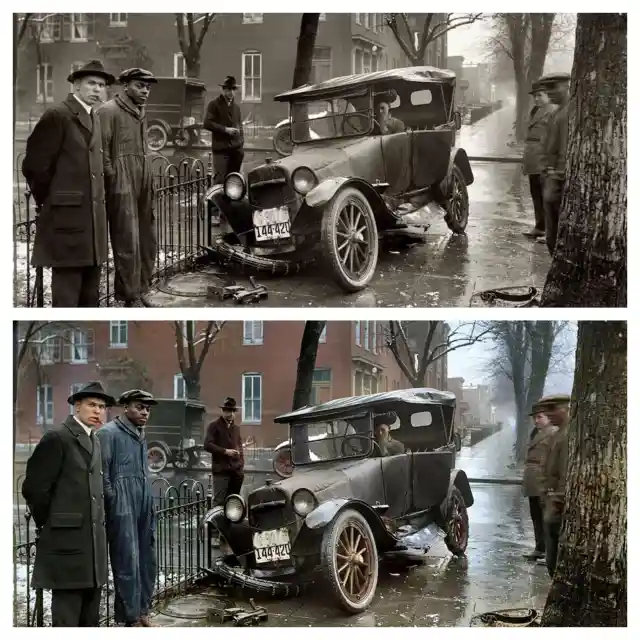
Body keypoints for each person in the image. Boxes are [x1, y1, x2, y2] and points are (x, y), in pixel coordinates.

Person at [21, 381, 114, 626]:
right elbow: (34, 488)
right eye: (92, 405)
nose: (98, 411)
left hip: (92, 552)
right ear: (77, 406)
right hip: (67, 547)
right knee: (67, 619)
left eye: (102, 407)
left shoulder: (94, 439)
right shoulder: (58, 438)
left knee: (89, 619)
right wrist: (51, 522)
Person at [22, 60, 114, 307]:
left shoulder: (94, 117)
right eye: (91, 84)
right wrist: (53, 199)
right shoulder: (58, 115)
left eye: (102, 85)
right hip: (67, 221)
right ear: (76, 85)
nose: (97, 90)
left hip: (91, 224)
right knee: (67, 293)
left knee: (90, 294)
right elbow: (34, 166)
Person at [96, 389, 157, 627]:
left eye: (148, 409)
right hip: (122, 504)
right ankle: (129, 617)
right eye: (139, 407)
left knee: (147, 560)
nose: (144, 412)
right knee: (126, 562)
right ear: (126, 407)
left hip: (142, 501)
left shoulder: (140, 433)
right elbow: (102, 474)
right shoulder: (107, 434)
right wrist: (113, 501)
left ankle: (143, 611)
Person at [98, 68, 158, 307]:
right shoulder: (108, 111)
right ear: (125, 86)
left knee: (147, 239)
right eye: (139, 85)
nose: (145, 91)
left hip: (143, 177)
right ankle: (129, 295)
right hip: (122, 180)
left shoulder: (140, 112)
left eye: (148, 87)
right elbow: (101, 151)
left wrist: (148, 176)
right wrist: (112, 179)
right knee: (126, 240)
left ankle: (142, 288)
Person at [539, 72, 571, 255]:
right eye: (547, 88)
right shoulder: (556, 112)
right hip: (550, 176)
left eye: (553, 87)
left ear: (567, 86)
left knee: (556, 231)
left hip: (557, 179)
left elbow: (565, 147)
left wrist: (557, 174)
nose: (549, 92)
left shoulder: (567, 113)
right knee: (551, 228)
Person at [522, 402, 558, 561]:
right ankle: (540, 548)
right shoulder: (536, 433)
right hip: (532, 481)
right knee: (536, 516)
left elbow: (554, 460)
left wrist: (550, 484)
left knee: (546, 518)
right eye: (534, 418)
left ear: (548, 418)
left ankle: (549, 553)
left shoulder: (553, 433)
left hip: (543, 480)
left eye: (540, 417)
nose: (536, 421)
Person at [539, 393, 571, 576]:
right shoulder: (558, 433)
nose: (548, 414)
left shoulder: (567, 434)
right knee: (551, 549)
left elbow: (565, 471)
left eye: (552, 409)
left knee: (556, 551)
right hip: (551, 498)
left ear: (566, 408)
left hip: (558, 501)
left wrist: (557, 498)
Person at [522, 80, 556, 241]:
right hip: (533, 159)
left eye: (539, 96)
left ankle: (550, 231)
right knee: (536, 194)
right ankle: (540, 226)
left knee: (547, 197)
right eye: (534, 96)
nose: (536, 99)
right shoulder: (536, 110)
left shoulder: (552, 111)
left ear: (548, 96)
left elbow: (554, 139)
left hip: (543, 158)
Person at [204, 397, 245, 507]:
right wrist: (225, 451)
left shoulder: (236, 428)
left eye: (232, 411)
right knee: (219, 502)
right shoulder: (214, 426)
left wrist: (241, 465)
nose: (230, 414)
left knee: (234, 501)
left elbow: (240, 447)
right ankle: (214, 523)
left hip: (236, 472)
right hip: (221, 471)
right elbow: (207, 445)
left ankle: (232, 523)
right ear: (223, 411)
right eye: (227, 411)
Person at [203, 76, 245, 184]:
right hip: (221, 150)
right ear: (223, 90)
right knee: (220, 181)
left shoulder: (236, 107)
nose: (231, 92)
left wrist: (241, 143)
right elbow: (207, 123)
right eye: (228, 89)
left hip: (236, 151)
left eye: (233, 89)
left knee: (234, 182)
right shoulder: (214, 104)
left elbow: (240, 126)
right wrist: (225, 130)